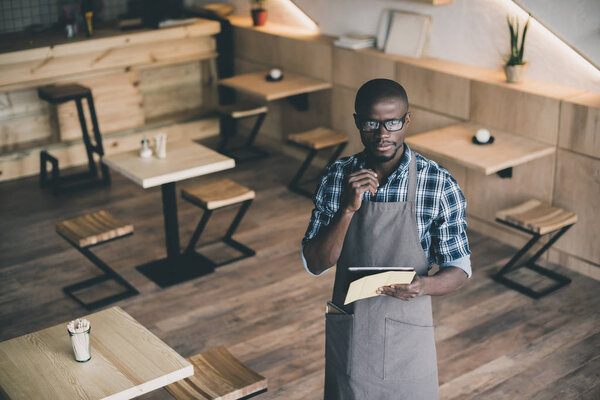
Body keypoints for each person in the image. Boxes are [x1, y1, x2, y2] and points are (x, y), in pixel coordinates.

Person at [302, 79, 471, 400]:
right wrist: (348, 210)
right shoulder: (336, 178)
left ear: (407, 121)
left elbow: (459, 268)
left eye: (393, 123)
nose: (383, 134)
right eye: (371, 123)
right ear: (357, 123)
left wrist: (424, 286)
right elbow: (315, 263)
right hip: (352, 328)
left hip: (408, 333)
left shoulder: (438, 184)